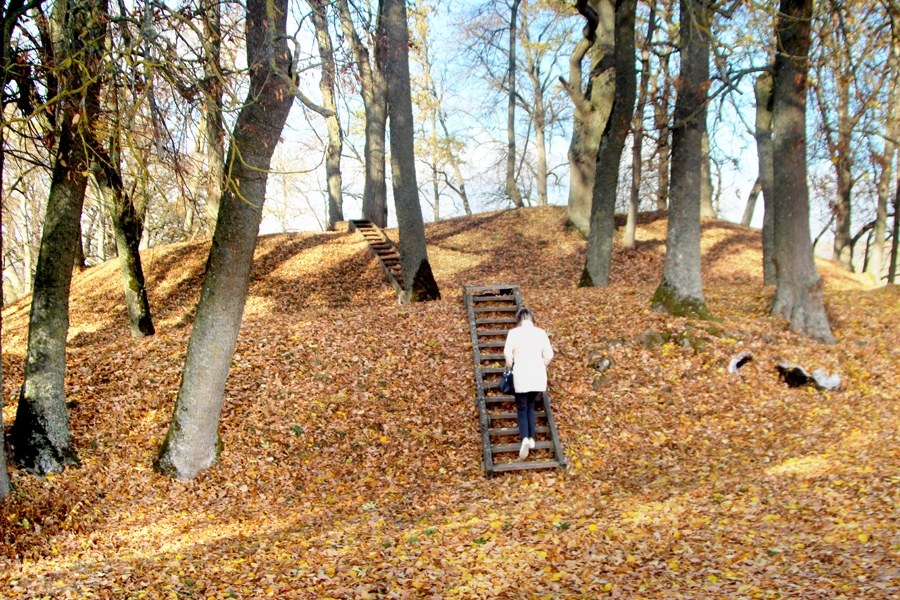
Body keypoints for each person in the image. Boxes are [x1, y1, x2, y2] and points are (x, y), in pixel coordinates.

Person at [503, 307, 553, 460]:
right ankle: (531, 438)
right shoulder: (541, 332)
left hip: (521, 374)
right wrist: (542, 365)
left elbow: (507, 353)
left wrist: (511, 366)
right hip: (537, 375)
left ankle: (525, 437)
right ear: (532, 319)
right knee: (531, 405)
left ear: (518, 319)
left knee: (522, 406)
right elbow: (549, 354)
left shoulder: (513, 333)